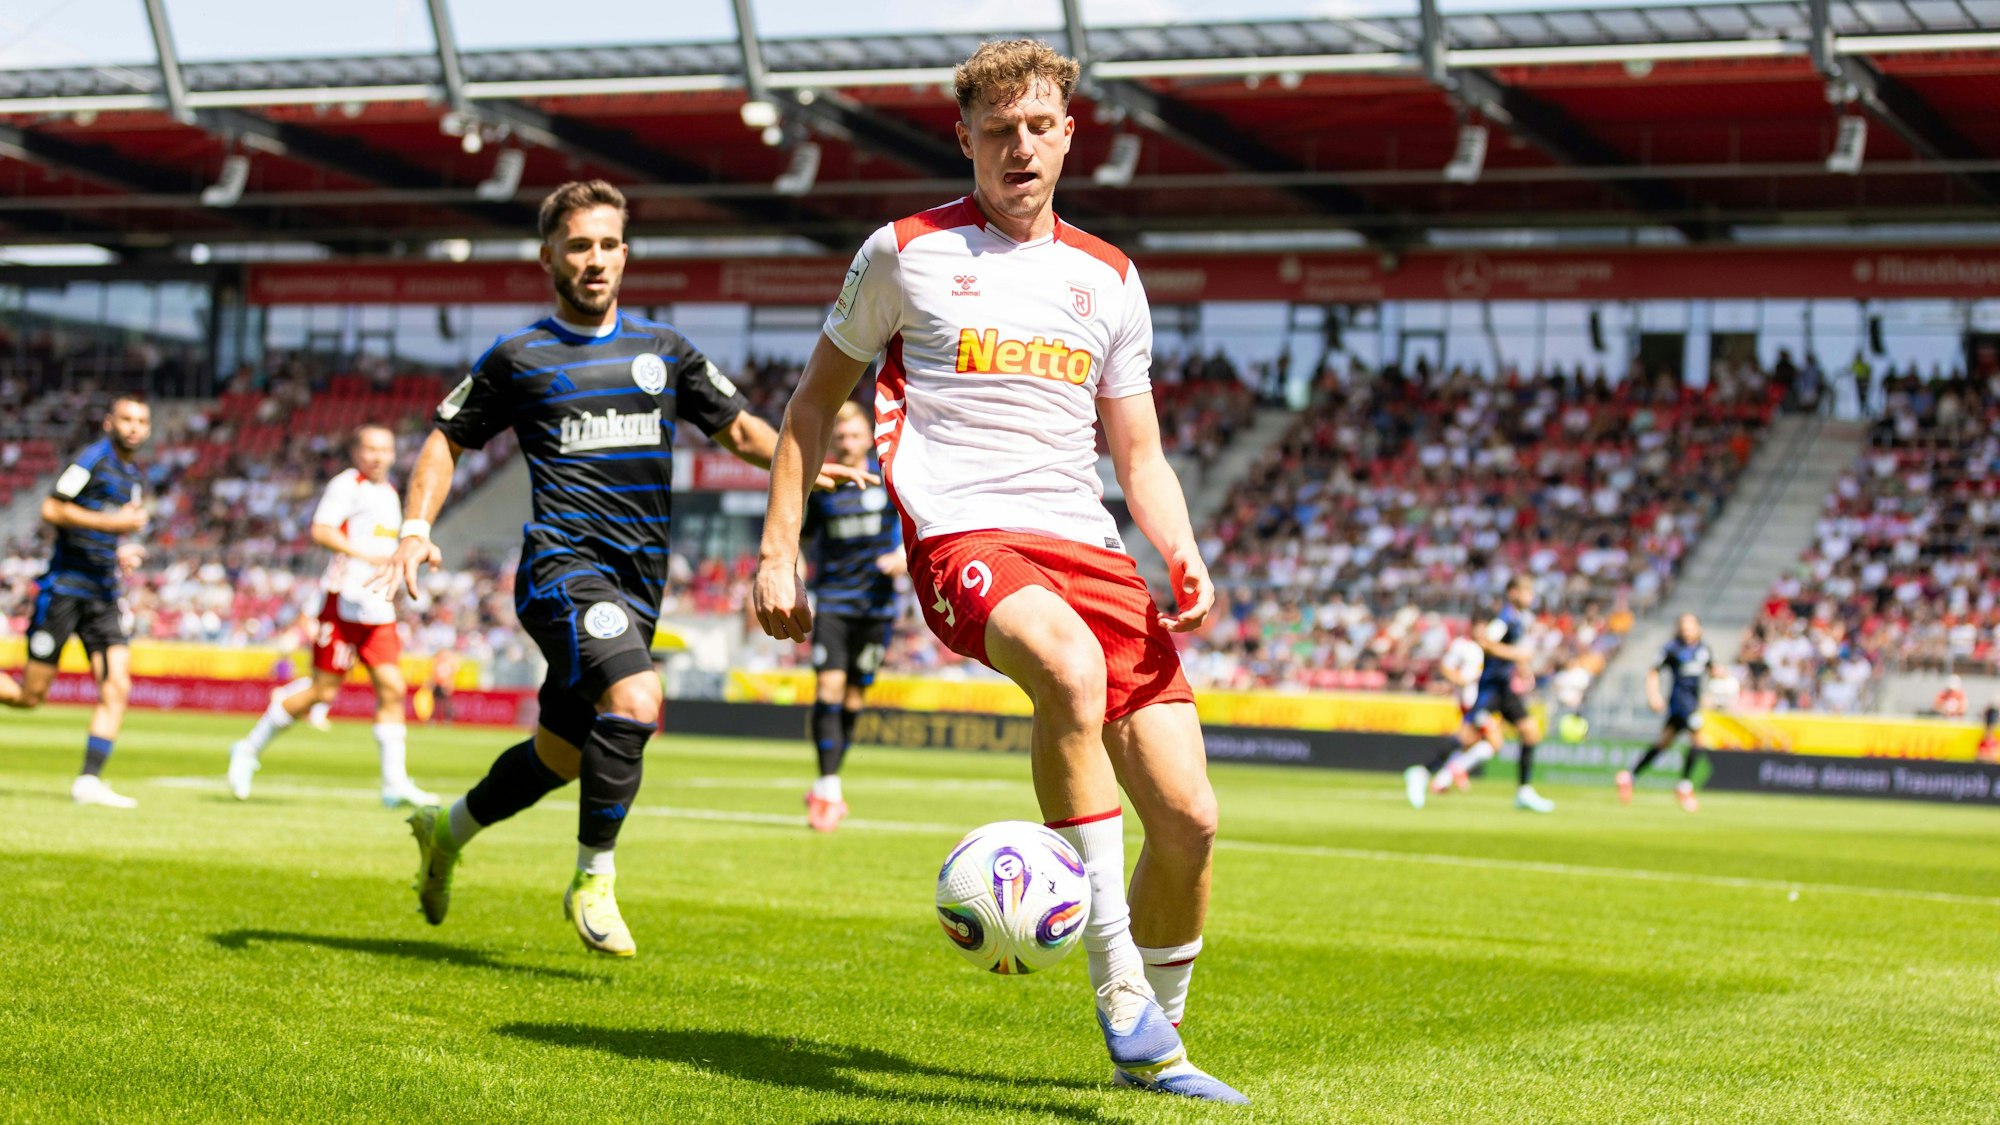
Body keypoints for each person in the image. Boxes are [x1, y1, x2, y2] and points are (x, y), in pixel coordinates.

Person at [750, 40, 1246, 1104]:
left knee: (1190, 821)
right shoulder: (904, 252)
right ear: (963, 139)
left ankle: (1159, 1045)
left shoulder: (1109, 278)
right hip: (964, 536)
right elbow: (807, 406)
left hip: (1090, 549)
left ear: (1068, 134)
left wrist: (1180, 547)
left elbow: (1139, 453)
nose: (1018, 147)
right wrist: (775, 548)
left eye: (1036, 127)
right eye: (996, 130)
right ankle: (1118, 996)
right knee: (1064, 672)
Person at [376, 180, 865, 958]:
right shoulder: (518, 356)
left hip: (640, 584)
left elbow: (738, 428)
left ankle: (447, 827)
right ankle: (592, 877)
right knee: (638, 697)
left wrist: (798, 463)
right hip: (559, 569)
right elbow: (447, 436)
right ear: (549, 257)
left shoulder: (664, 352)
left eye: (607, 244)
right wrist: (413, 527)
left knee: (561, 755)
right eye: (579, 245)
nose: (595, 259)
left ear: (626, 254)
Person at [226, 424, 436, 808]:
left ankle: (394, 784)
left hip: (377, 606)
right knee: (322, 692)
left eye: (384, 449)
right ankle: (247, 748)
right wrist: (365, 554)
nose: (377, 456)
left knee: (392, 688)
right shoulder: (346, 485)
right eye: (370, 449)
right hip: (342, 602)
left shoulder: (389, 493)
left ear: (393, 454)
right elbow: (321, 530)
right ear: (357, 453)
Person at [0, 396, 151, 808]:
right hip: (66, 589)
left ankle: (89, 780)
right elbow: (52, 507)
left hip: (103, 593)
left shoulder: (132, 474)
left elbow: (110, 528)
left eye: (141, 421)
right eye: (127, 419)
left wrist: (118, 550)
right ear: (109, 422)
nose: (134, 427)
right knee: (31, 696)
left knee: (117, 685)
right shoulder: (91, 459)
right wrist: (111, 524)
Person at [798, 399, 904, 832]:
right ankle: (827, 788)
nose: (846, 442)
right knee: (829, 687)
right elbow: (803, 539)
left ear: (867, 438)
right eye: (840, 436)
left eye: (854, 435)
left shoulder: (888, 478)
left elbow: (913, 525)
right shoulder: (822, 487)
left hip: (877, 605)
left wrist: (901, 556)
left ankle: (828, 785)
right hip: (835, 600)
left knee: (855, 697)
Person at [1471, 573, 1554, 813]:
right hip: (1491, 686)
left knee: (1530, 733)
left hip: (1504, 687)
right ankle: (1425, 772)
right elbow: (1485, 643)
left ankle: (1524, 791)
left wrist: (1523, 668)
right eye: (1527, 591)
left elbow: (1513, 651)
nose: (1532, 596)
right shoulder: (1504, 618)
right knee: (1467, 739)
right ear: (1513, 593)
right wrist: (1517, 656)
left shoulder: (1518, 619)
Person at [1619, 612, 1715, 813]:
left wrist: (1718, 682)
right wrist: (1653, 695)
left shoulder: (1704, 649)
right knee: (1699, 740)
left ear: (1698, 628)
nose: (1687, 630)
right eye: (1684, 627)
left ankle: (1630, 775)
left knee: (1663, 744)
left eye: (1690, 627)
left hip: (1693, 703)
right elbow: (1653, 671)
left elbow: (1712, 670)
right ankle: (1684, 786)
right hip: (1680, 704)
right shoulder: (1672, 649)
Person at [1403, 632, 1498, 808]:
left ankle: (1439, 777)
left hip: (1481, 701)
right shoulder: (1465, 647)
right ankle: (1432, 771)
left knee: (1470, 742)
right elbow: (1447, 667)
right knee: (1488, 741)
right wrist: (1459, 681)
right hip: (1472, 701)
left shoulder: (1489, 649)